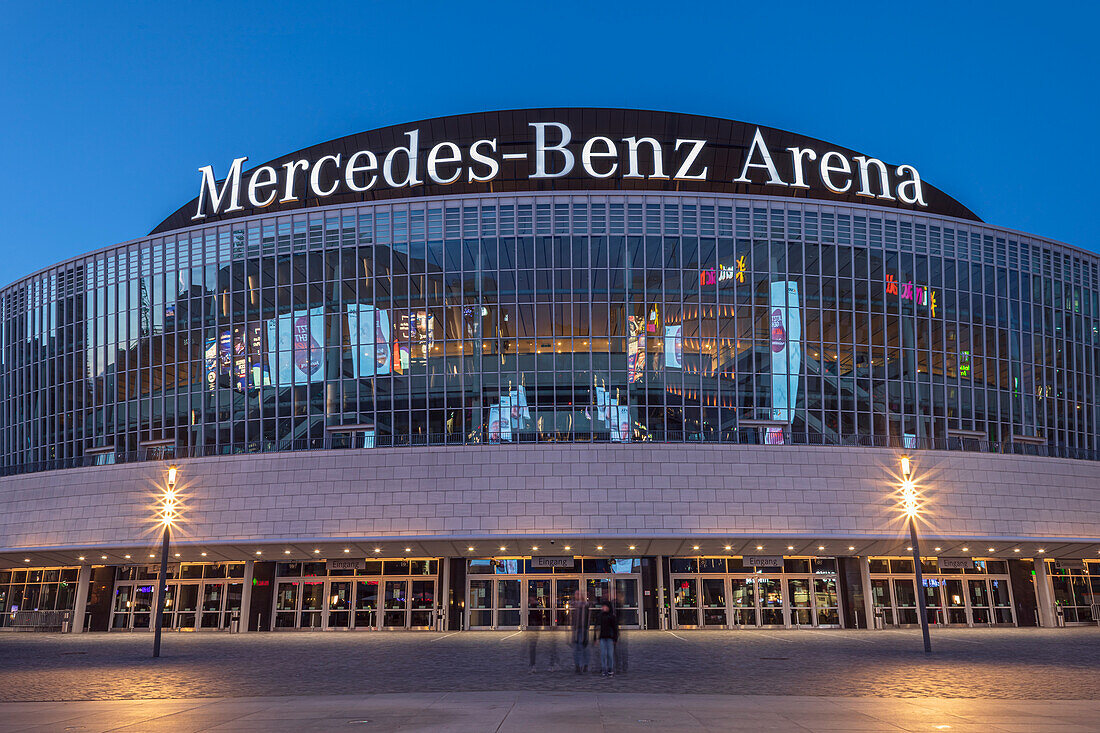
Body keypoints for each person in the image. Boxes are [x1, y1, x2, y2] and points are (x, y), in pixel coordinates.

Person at [595, 600, 619, 677]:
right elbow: (597, 628)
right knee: (603, 654)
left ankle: (610, 669)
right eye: (603, 606)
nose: (603, 608)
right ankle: (604, 669)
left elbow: (615, 628)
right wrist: (595, 638)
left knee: (610, 654)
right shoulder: (600, 616)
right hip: (602, 637)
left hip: (610, 638)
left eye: (605, 606)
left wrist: (615, 638)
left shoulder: (612, 617)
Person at [568, 589, 590, 674]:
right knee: (576, 648)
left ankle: (584, 665)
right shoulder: (573, 605)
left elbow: (588, 617)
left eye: (578, 594)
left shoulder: (585, 605)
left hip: (583, 629)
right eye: (575, 594)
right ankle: (578, 665)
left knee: (583, 648)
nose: (576, 596)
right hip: (576, 629)